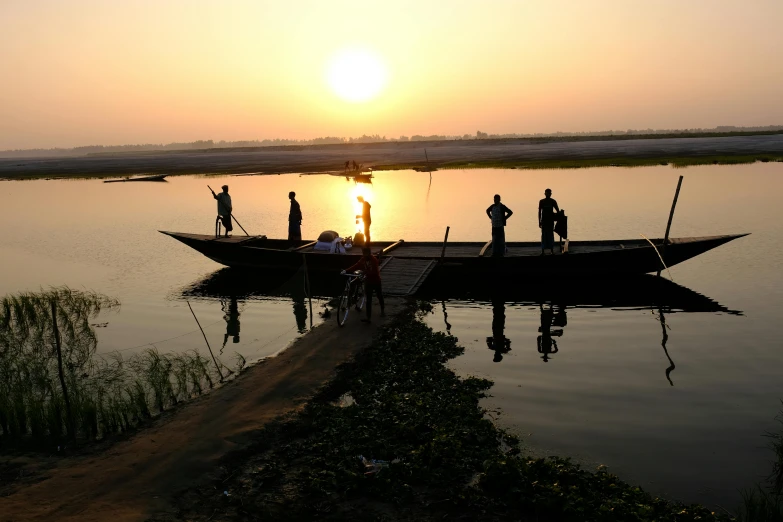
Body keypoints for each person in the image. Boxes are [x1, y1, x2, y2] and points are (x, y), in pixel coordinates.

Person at [346, 247, 385, 323]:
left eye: (366, 253)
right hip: (368, 282)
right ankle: (368, 317)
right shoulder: (363, 259)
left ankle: (382, 310)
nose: (364, 255)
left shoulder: (374, 260)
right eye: (363, 253)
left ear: (369, 253)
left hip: (376, 281)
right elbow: (356, 265)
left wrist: (364, 272)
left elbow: (374, 272)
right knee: (368, 300)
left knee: (379, 295)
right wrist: (347, 270)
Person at [538, 188, 560, 255]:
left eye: (549, 193)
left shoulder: (553, 201)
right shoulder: (541, 201)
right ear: (545, 194)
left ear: (551, 194)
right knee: (544, 235)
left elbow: (557, 211)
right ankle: (543, 251)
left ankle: (552, 250)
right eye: (547, 193)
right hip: (544, 221)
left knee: (550, 235)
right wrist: (539, 221)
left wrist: (556, 215)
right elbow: (539, 212)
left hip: (550, 221)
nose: (548, 194)